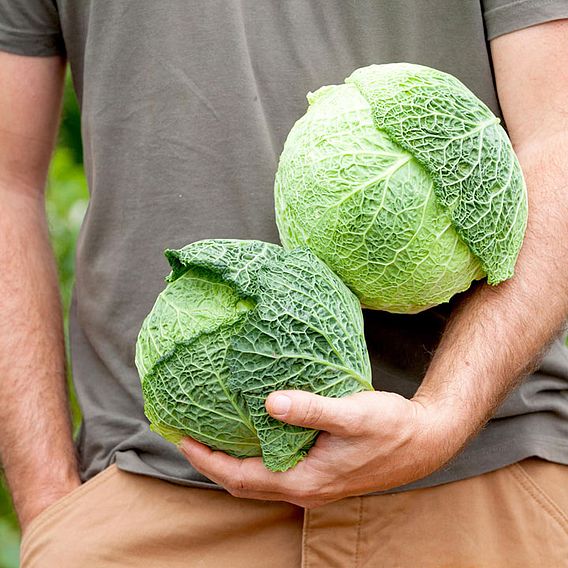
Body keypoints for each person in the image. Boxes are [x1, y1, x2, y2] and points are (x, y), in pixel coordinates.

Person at [1, 1, 567, 566]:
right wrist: (50, 509)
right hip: (148, 493)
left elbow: (559, 136)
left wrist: (444, 416)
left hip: (486, 477)